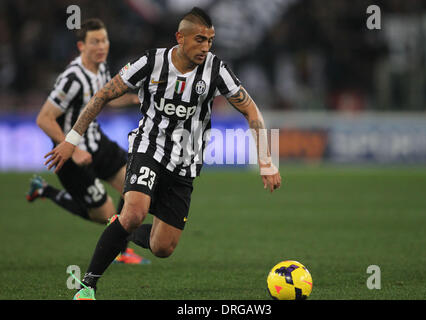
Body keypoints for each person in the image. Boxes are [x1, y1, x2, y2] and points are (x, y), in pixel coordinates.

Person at [44, 7, 281, 300]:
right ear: (180, 38)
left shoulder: (216, 70)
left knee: (163, 247)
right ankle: (87, 286)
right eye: (199, 40)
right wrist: (71, 139)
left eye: (210, 40)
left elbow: (250, 109)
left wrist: (267, 162)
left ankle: (119, 229)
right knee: (134, 211)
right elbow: (104, 94)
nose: (206, 47)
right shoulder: (150, 62)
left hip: (186, 163)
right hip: (149, 148)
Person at [31, 18, 148, 264]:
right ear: (81, 46)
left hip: (97, 142)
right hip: (70, 154)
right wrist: (72, 151)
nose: (101, 46)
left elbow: (103, 99)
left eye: (104, 40)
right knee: (103, 214)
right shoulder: (72, 79)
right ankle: (46, 190)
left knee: (133, 184)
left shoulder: (102, 68)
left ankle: (122, 251)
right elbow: (44, 118)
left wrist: (131, 99)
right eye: (94, 42)